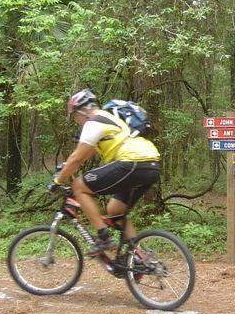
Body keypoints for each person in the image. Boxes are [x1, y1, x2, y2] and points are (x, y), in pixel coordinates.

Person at [50, 89, 160, 256]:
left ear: (83, 110)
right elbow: (83, 156)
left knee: (78, 186)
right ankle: (139, 258)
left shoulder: (93, 122)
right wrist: (66, 167)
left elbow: (76, 159)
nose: (76, 120)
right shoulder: (109, 120)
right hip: (150, 164)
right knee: (115, 211)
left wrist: (58, 181)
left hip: (131, 161)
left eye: (75, 115)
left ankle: (103, 237)